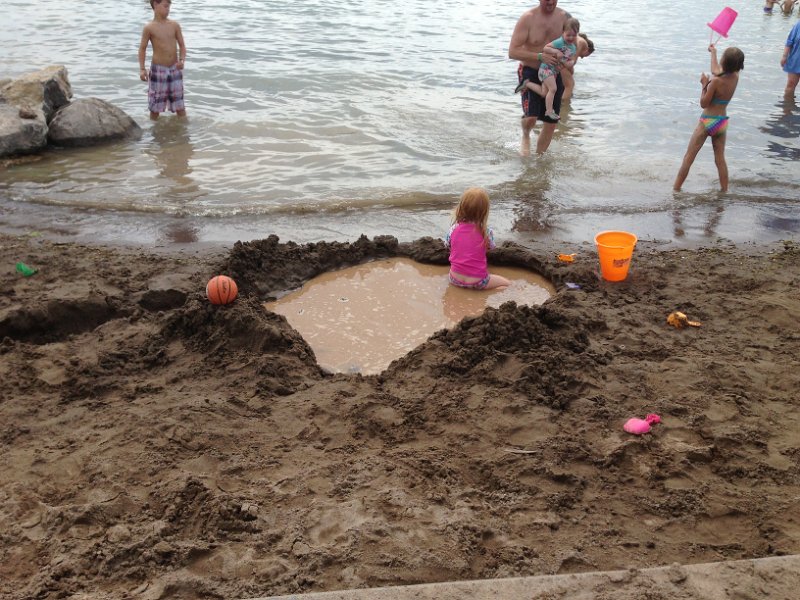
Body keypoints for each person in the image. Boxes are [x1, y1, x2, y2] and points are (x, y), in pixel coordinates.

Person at [673, 44, 745, 192]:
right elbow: (716, 70)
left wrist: (704, 84)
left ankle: (676, 189)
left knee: (689, 157)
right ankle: (724, 191)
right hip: (721, 121)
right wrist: (713, 52)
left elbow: (703, 103)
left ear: (724, 62)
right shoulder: (735, 77)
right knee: (720, 159)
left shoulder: (716, 81)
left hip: (707, 120)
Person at [508, 0, 569, 155]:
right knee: (531, 118)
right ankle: (526, 135)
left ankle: (539, 158)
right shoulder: (528, 18)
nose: (551, 2)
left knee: (551, 121)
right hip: (530, 71)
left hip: (553, 73)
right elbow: (513, 52)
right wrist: (540, 56)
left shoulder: (564, 17)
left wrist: (566, 61)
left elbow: (573, 42)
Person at [515, 18, 580, 121]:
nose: (571, 37)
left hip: (554, 72)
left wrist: (568, 64)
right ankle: (549, 112)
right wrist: (556, 51)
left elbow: (569, 61)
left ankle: (526, 83)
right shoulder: (559, 42)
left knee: (544, 93)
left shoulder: (573, 48)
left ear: (577, 34)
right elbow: (546, 48)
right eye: (568, 35)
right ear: (563, 32)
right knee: (553, 89)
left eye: (574, 35)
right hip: (546, 68)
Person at [445, 188, 510, 291]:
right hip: (478, 282)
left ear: (461, 207)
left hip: (454, 279)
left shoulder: (453, 229)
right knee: (506, 284)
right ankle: (484, 294)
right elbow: (492, 248)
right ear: (484, 212)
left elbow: (447, 245)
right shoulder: (486, 232)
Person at [138, 0, 187, 120]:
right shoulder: (149, 27)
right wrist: (142, 69)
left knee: (180, 106)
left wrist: (182, 60)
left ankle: (184, 129)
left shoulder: (174, 25)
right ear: (155, 4)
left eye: (169, 7)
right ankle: (153, 129)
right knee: (155, 107)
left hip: (174, 69)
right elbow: (142, 49)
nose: (168, 9)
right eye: (165, 6)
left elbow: (182, 45)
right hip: (158, 70)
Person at [562, 33, 595, 103]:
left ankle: (564, 97)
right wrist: (571, 71)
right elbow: (572, 62)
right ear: (587, 49)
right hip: (558, 61)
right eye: (584, 55)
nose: (582, 57)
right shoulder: (581, 43)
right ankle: (564, 104)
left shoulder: (576, 41)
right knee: (570, 84)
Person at [782, 21, 800, 98]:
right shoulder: (798, 25)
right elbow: (789, 41)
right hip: (795, 59)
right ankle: (788, 104)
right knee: (790, 84)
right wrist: (784, 56)